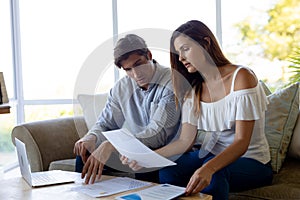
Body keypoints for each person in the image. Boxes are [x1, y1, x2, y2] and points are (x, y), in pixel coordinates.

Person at [120, 20, 273, 200]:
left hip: (252, 162)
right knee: (169, 171)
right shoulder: (193, 89)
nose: (181, 58)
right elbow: (185, 141)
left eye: (185, 49)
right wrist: (146, 156)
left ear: (206, 43)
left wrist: (208, 168)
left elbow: (241, 142)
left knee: (215, 173)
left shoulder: (241, 77)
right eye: (178, 53)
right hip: (210, 156)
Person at [73, 34, 181, 184]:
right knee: (85, 152)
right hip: (135, 147)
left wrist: (113, 145)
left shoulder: (171, 82)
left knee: (139, 158)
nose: (136, 74)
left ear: (149, 55)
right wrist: (92, 137)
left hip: (164, 150)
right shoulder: (121, 88)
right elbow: (106, 123)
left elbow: (157, 135)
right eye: (128, 69)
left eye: (138, 64)